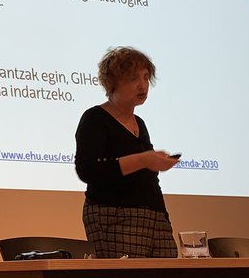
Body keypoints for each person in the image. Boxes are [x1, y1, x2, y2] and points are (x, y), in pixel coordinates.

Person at [75, 46, 179, 258]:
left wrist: (162, 217)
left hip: (155, 218)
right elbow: (88, 170)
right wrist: (143, 159)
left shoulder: (139, 123)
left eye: (146, 77)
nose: (143, 85)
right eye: (133, 78)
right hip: (114, 215)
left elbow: (148, 179)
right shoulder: (95, 118)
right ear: (112, 83)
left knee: (169, 277)